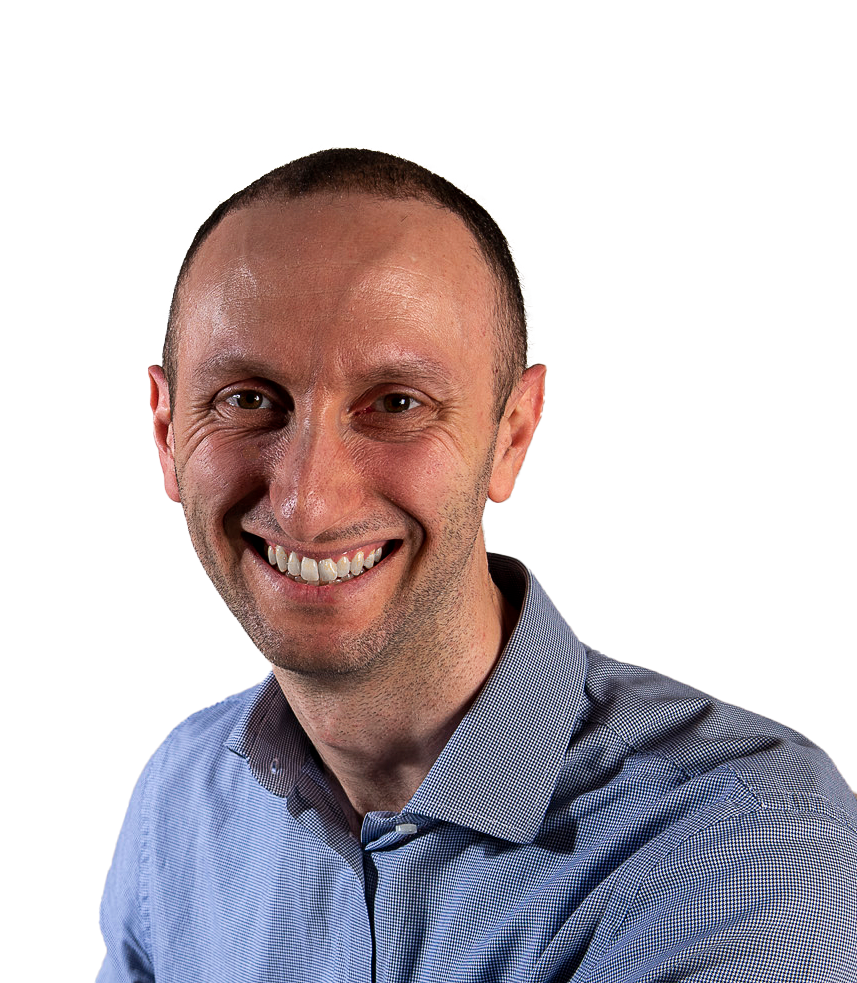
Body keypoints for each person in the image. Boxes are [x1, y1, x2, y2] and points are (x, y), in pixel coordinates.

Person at [99, 149, 857, 983]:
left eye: (396, 404)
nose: (308, 501)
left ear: (512, 434)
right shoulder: (180, 803)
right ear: (166, 433)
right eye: (247, 399)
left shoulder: (744, 845)